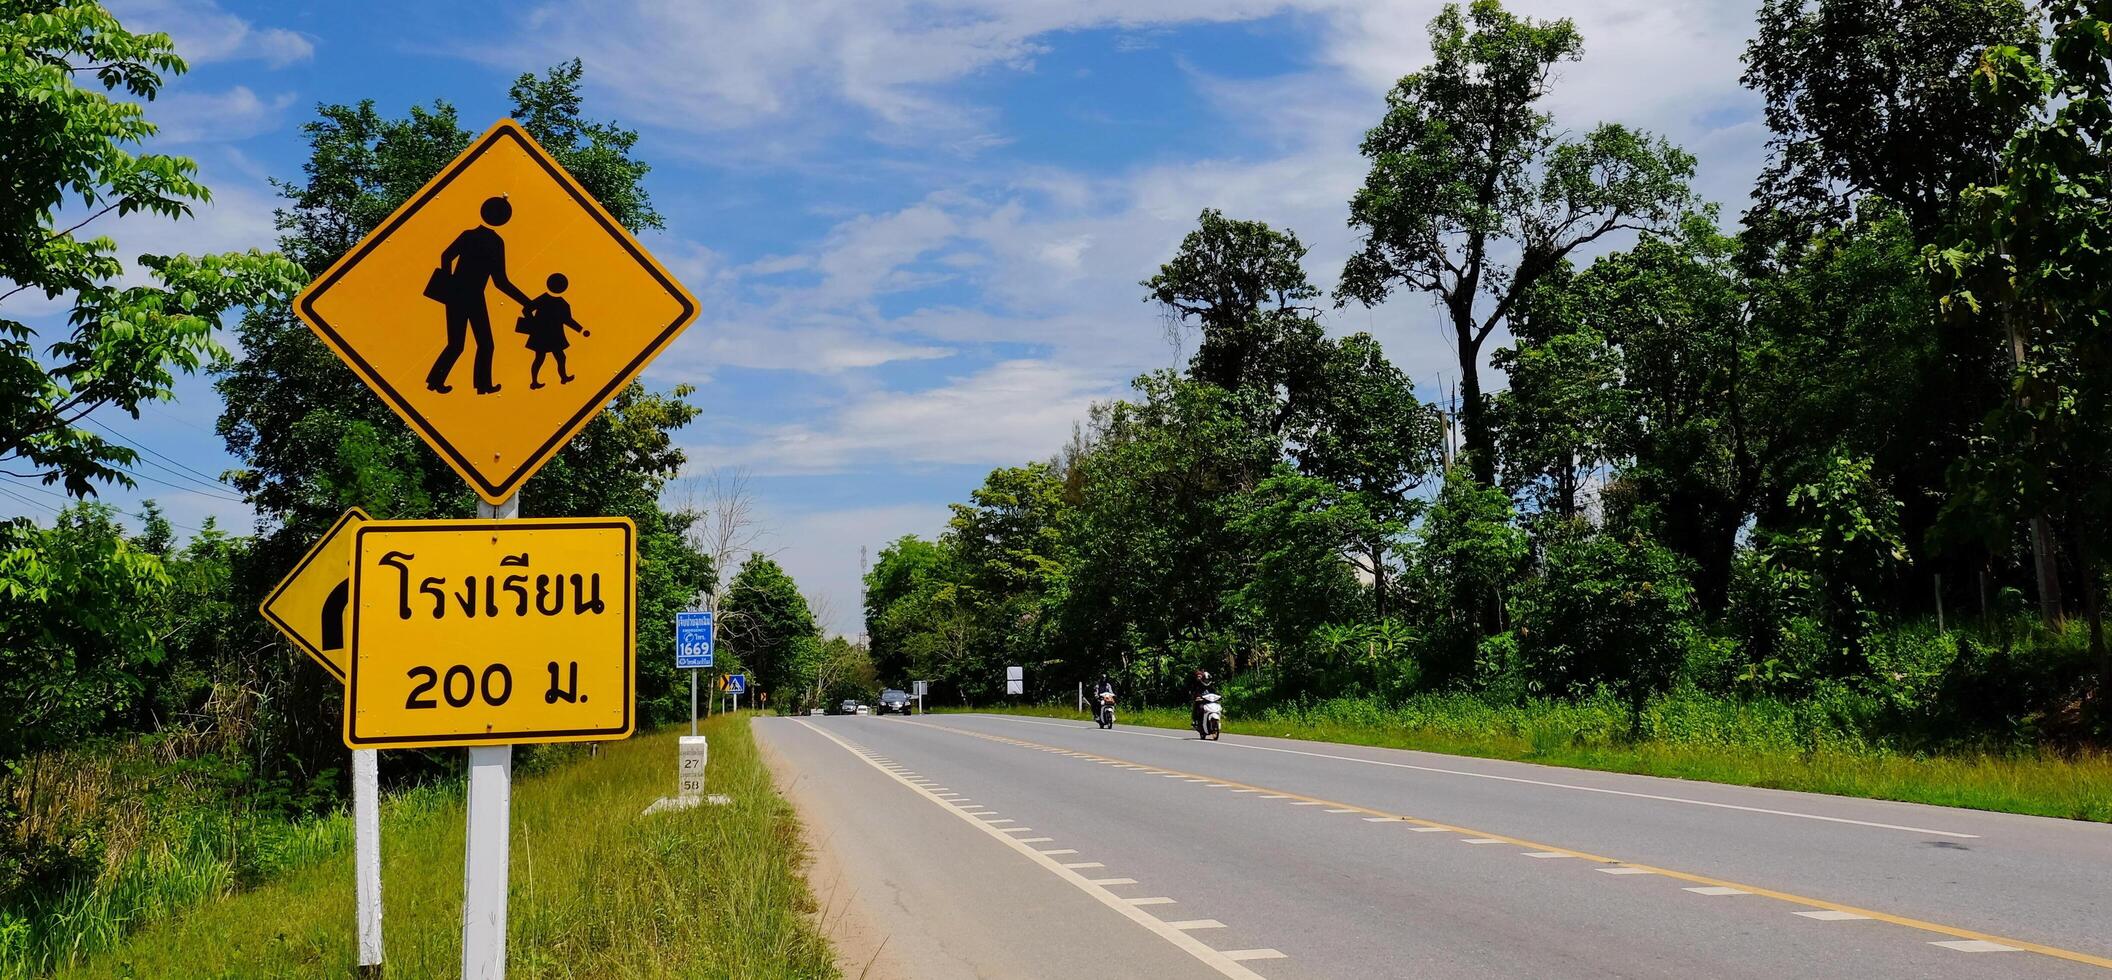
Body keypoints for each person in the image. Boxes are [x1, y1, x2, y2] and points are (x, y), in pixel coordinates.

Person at [426, 196, 530, 395]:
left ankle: (436, 382)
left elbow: (446, 256)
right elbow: (500, 282)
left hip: (457, 295)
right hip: (473, 296)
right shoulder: (496, 242)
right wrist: (526, 301)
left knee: (457, 344)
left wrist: (450, 284)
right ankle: (481, 386)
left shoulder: (468, 235)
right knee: (484, 344)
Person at [517, 272, 590, 388]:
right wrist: (534, 323)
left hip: (555, 336)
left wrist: (581, 330)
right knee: (540, 358)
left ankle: (563, 377)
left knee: (560, 357)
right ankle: (534, 382)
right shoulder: (545, 299)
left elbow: (568, 320)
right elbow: (526, 310)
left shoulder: (562, 303)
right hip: (542, 335)